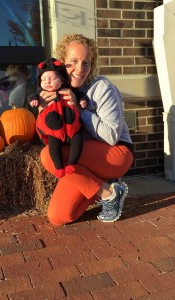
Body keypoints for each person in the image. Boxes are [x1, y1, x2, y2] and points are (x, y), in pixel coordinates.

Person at [39, 33, 134, 226]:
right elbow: (53, 138)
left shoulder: (102, 88)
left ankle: (108, 191)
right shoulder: (57, 91)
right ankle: (105, 188)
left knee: (48, 156)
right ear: (61, 62)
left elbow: (112, 136)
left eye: (86, 63)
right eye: (72, 62)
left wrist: (79, 109)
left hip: (116, 154)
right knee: (58, 217)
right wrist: (44, 115)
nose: (79, 69)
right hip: (82, 158)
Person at [29, 58, 88, 178]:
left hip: (72, 129)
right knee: (53, 145)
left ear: (61, 80)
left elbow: (81, 95)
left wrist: (83, 101)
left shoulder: (68, 91)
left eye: (52, 79)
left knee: (78, 140)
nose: (47, 82)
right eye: (43, 79)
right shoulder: (41, 94)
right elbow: (31, 96)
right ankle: (59, 167)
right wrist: (33, 100)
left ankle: (72, 164)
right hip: (54, 131)